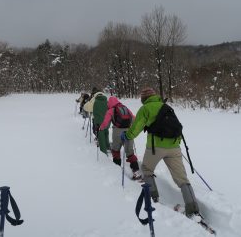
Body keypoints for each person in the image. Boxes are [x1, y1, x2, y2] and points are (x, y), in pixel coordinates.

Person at [121, 87, 200, 217]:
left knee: (146, 169)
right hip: (174, 147)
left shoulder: (145, 109)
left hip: (155, 147)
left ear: (143, 99)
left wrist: (128, 136)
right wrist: (175, 144)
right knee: (182, 179)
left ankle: (153, 198)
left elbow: (136, 128)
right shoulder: (166, 107)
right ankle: (193, 210)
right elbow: (177, 126)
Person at [99, 96, 142, 180]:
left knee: (115, 150)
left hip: (117, 132)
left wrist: (101, 128)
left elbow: (105, 122)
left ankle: (117, 169)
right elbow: (134, 118)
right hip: (128, 132)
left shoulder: (111, 110)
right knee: (130, 152)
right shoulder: (125, 108)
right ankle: (136, 171)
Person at [83, 87, 110, 154]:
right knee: (106, 133)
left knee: (100, 135)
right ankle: (108, 146)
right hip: (107, 121)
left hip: (98, 121)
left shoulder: (94, 100)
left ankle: (103, 151)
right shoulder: (107, 100)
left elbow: (86, 107)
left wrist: (90, 101)